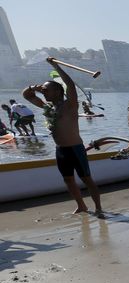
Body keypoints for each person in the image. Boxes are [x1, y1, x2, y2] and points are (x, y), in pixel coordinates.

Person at [22, 58, 102, 214]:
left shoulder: (70, 105)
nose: (43, 92)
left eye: (46, 90)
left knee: (86, 179)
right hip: (61, 150)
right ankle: (81, 205)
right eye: (42, 90)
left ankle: (98, 207)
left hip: (75, 148)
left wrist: (55, 66)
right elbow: (27, 95)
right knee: (68, 179)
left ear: (58, 91)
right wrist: (34, 87)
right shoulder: (48, 107)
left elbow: (70, 85)